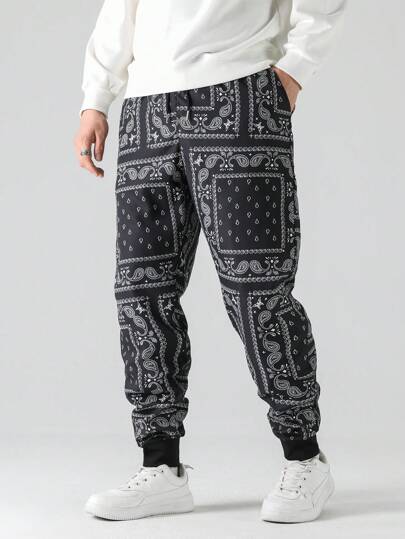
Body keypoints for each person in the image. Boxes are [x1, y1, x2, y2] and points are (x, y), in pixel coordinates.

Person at [75, 0, 346, 524]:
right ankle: (161, 466)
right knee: (142, 289)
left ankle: (305, 458)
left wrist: (293, 72)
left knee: (257, 288)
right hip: (147, 108)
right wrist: (96, 99)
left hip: (241, 92)